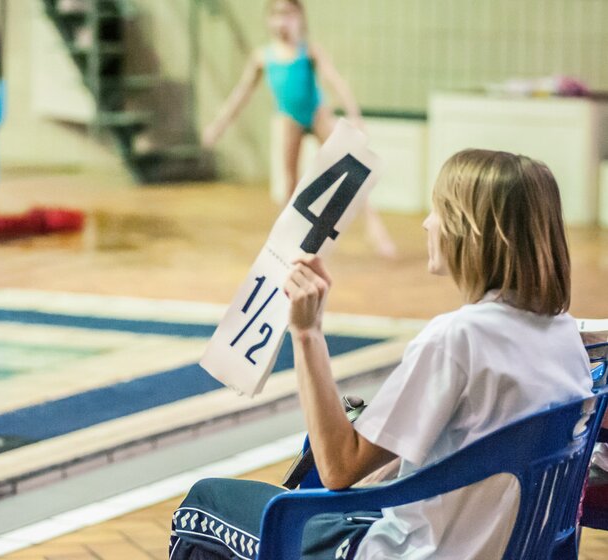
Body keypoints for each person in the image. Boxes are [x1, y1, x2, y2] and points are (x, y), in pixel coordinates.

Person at [168, 149, 594, 559]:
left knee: (204, 503)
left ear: (472, 231)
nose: (427, 224)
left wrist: (307, 332)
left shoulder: (457, 338)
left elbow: (339, 468)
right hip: (503, 547)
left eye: (438, 210)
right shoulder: (563, 338)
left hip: (417, 552)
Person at [202, 0, 396, 258]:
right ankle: (286, 239)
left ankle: (375, 227)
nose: (282, 20)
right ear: (269, 19)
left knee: (349, 169)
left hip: (317, 114)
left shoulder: (309, 51)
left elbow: (334, 80)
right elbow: (240, 95)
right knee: (290, 181)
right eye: (276, 14)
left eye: (288, 14)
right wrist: (218, 126)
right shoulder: (263, 57)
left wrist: (354, 115)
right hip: (289, 119)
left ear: (299, 18)